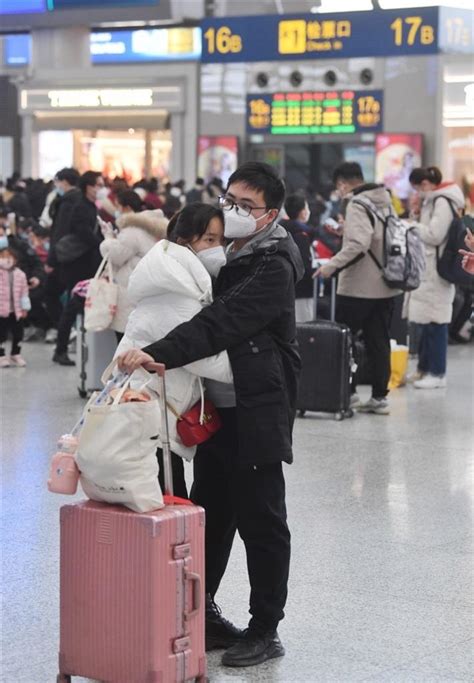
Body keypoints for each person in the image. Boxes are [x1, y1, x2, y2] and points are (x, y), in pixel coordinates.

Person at [117, 162, 304, 668]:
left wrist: (161, 349)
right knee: (211, 513)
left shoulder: (274, 261)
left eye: (247, 206)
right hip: (217, 406)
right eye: (230, 200)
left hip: (257, 403)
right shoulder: (227, 251)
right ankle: (204, 612)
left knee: (261, 518)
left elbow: (221, 321)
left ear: (269, 215)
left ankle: (266, 626)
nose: (234, 211)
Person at [115, 202, 233, 499]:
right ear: (184, 241)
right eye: (209, 240)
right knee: (165, 508)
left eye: (221, 241)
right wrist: (249, 367)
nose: (217, 248)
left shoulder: (178, 282)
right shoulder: (177, 294)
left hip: (153, 413)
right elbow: (201, 358)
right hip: (152, 420)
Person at [316, 161, 401, 415]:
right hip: (387, 284)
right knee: (379, 341)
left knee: (345, 339)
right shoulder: (385, 201)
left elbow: (359, 245)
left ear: (342, 183)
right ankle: (379, 397)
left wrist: (331, 266)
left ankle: (349, 393)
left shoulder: (356, 203)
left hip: (358, 288)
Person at [406, 166, 465, 388]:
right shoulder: (433, 200)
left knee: (436, 323)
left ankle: (437, 373)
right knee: (424, 321)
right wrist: (416, 214)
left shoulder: (442, 201)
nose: (417, 193)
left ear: (424, 184)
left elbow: (434, 234)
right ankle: (423, 369)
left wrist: (413, 226)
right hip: (428, 269)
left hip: (437, 270)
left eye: (417, 188)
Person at [100, 192, 168, 342]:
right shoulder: (156, 225)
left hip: (131, 292)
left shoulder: (133, 230)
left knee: (127, 341)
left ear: (127, 208)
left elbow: (116, 255)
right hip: (151, 289)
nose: (115, 210)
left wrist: (108, 239)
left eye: (118, 206)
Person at [52, 171, 103, 366]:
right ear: (88, 186)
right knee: (72, 306)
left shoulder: (89, 205)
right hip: (76, 263)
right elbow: (82, 232)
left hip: (83, 261)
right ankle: (61, 349)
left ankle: (66, 347)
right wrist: (100, 243)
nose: (100, 188)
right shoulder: (81, 206)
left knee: (75, 306)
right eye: (98, 184)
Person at [44, 168, 81, 343]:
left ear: (65, 182)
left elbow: (58, 233)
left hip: (62, 256)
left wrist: (51, 259)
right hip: (74, 256)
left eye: (58, 181)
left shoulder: (66, 202)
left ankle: (66, 332)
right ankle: (68, 332)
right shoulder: (79, 200)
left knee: (50, 294)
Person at [280, 193, 315, 322]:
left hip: (286, 288)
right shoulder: (302, 234)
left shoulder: (282, 230)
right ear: (303, 212)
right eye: (307, 208)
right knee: (304, 325)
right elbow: (304, 263)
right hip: (302, 289)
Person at [0, 247, 31, 368]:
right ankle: (1, 355)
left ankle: (16, 353)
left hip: (16, 310)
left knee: (18, 333)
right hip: (2, 311)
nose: (6, 260)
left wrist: (25, 308)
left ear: (15, 260)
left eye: (9, 257)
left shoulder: (20, 274)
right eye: (3, 257)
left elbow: (24, 292)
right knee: (1, 334)